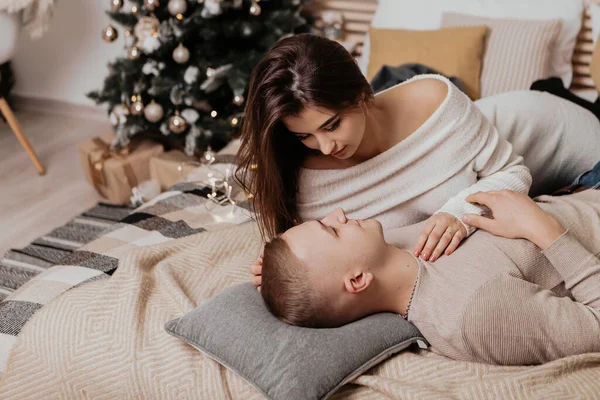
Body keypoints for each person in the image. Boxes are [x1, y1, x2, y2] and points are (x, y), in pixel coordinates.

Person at [236, 33, 532, 270]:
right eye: (304, 135)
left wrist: (459, 213)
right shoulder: (298, 173)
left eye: (333, 125)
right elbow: (309, 249)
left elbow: (514, 172)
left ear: (363, 95)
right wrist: (283, 267)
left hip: (535, 119)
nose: (326, 147)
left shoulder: (437, 104)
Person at [259, 189, 600, 366]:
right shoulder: (473, 311)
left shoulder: (392, 246)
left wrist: (278, 270)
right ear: (359, 281)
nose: (339, 214)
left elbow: (309, 277)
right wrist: (542, 227)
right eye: (331, 230)